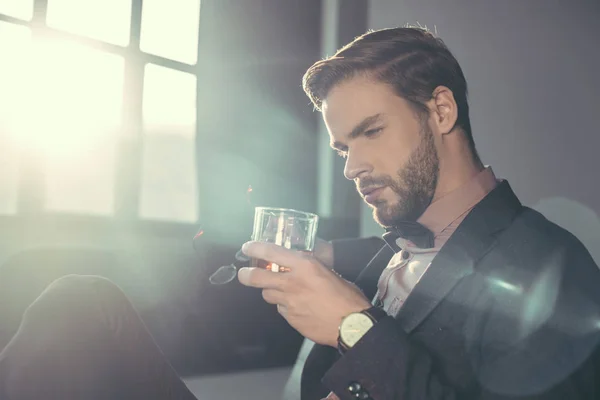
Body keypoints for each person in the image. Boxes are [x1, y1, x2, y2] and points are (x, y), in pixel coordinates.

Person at [0, 26, 598, 400]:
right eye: (343, 148)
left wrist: (354, 327)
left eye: (371, 132)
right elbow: (336, 257)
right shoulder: (393, 246)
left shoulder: (552, 267)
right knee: (83, 300)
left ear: (441, 110)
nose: (351, 167)